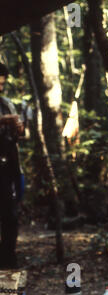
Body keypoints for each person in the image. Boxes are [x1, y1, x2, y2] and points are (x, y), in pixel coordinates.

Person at [0, 63, 24, 269]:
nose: (0, 87)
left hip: (7, 167)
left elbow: (19, 135)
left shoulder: (7, 103)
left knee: (10, 215)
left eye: (2, 83)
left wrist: (18, 128)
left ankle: (7, 259)